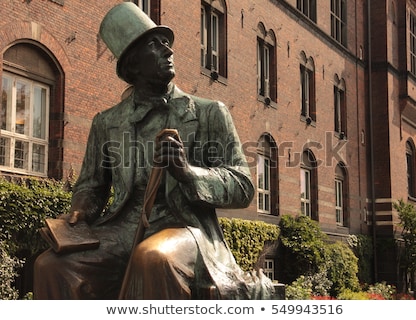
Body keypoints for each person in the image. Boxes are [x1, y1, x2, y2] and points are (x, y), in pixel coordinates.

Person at [33, 2, 274, 299]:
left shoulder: (209, 113)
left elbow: (243, 185)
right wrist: (80, 210)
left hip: (184, 226)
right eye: (155, 44)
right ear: (132, 63)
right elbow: (91, 186)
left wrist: (188, 173)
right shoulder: (106, 122)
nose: (168, 50)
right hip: (121, 229)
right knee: (51, 265)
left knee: (154, 257)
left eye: (166, 43)